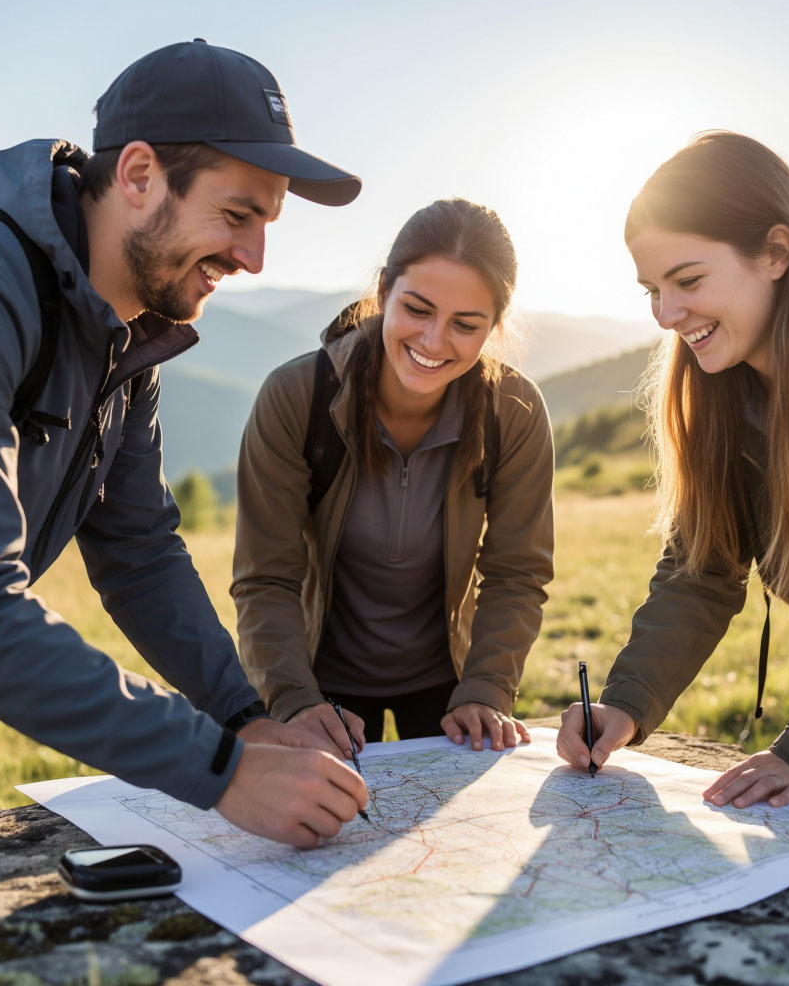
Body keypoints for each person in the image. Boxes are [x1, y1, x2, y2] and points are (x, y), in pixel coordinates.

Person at [0, 39, 370, 847]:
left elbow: (138, 552)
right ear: (136, 175)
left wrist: (244, 715)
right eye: (236, 215)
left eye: (266, 222)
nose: (255, 257)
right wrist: (222, 770)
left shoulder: (130, 343)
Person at [557, 131, 789, 817]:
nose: (668, 316)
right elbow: (702, 569)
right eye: (653, 290)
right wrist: (625, 703)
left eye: (689, 281)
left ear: (776, 252)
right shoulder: (724, 379)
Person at [232, 199, 555, 757]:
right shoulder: (295, 398)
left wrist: (486, 688)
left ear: (494, 327)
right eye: (417, 309)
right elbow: (267, 577)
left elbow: (515, 572)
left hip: (450, 684)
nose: (433, 341)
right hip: (315, 683)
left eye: (465, 325)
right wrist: (292, 701)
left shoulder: (515, 411)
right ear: (383, 293)